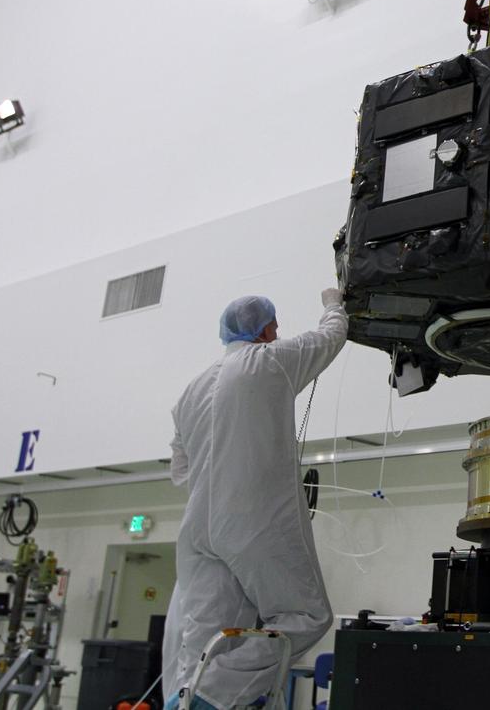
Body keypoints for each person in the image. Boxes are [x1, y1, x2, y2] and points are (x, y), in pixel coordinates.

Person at [162, 289, 347, 709]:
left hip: (197, 528)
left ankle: (186, 698)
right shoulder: (270, 361)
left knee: (205, 632)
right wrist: (334, 303)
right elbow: (330, 337)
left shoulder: (190, 392)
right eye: (275, 326)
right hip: (253, 522)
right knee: (306, 617)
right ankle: (213, 696)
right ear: (265, 329)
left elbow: (179, 469)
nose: (277, 333)